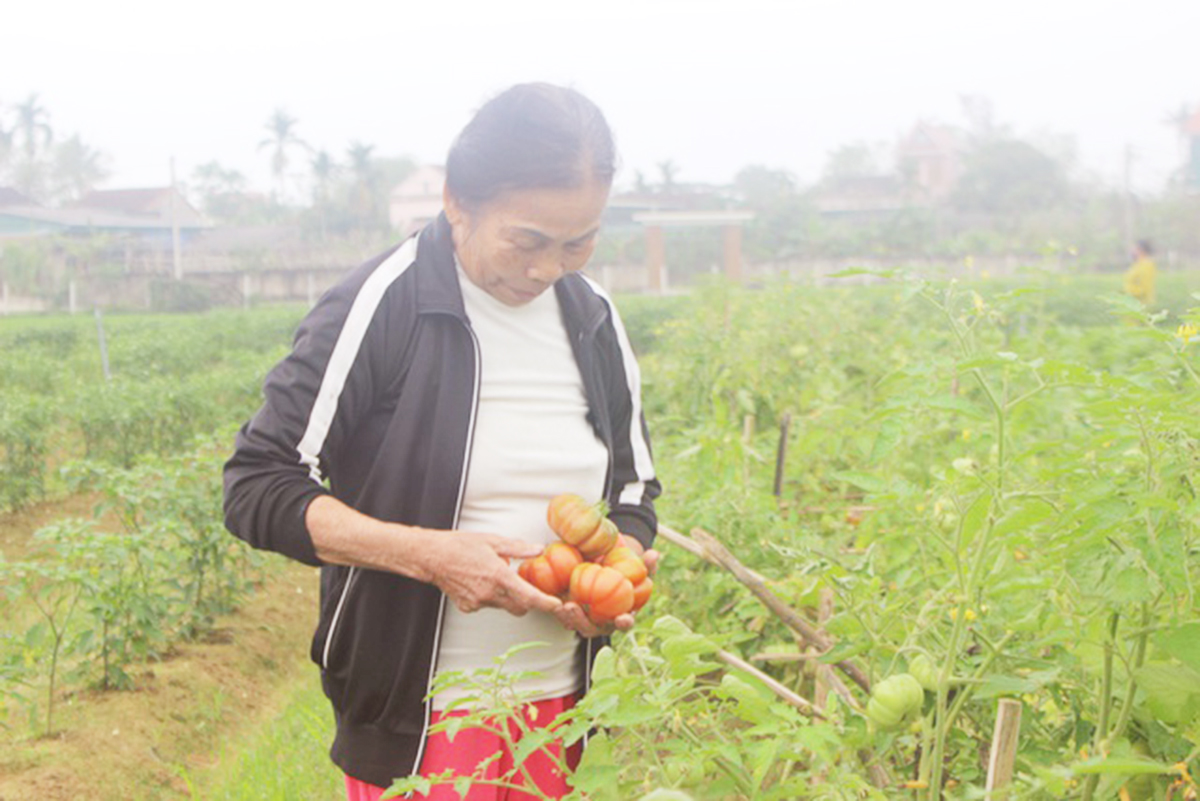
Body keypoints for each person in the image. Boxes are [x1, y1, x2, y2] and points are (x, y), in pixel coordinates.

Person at [223, 83, 660, 800]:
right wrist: (428, 555)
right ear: (458, 200)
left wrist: (620, 562)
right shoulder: (385, 302)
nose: (549, 268)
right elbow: (257, 482)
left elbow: (634, 487)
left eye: (578, 242)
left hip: (566, 714)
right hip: (424, 717)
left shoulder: (592, 315)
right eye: (528, 240)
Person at [1123, 238, 1157, 307]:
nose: (1132, 250)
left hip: (1141, 305)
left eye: (1134, 248)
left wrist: (1130, 292)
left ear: (1141, 250)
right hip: (1132, 304)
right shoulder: (1138, 264)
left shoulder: (1147, 265)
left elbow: (1144, 288)